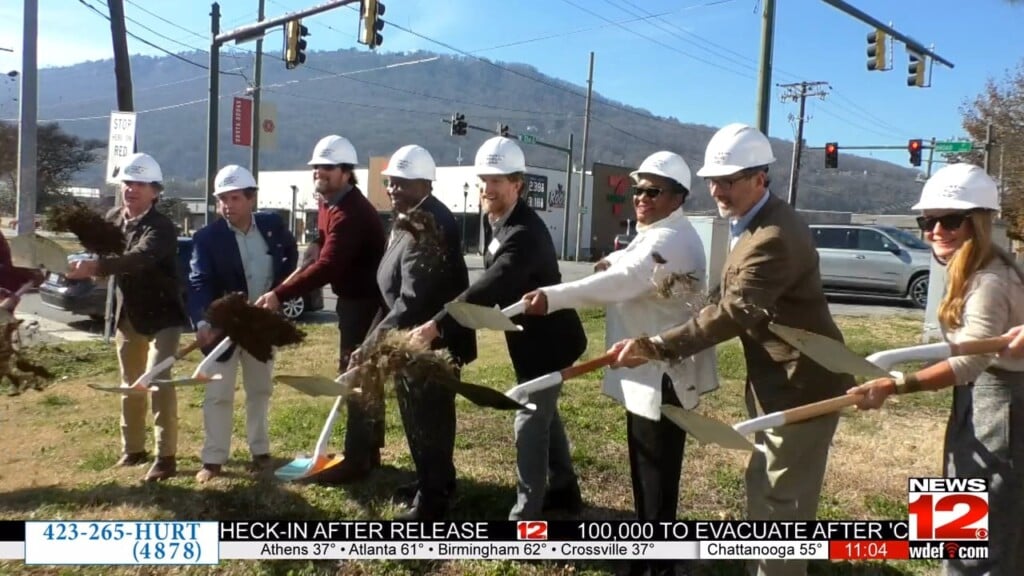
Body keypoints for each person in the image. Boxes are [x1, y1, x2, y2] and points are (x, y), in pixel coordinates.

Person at [608, 123, 854, 576]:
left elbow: (734, 312)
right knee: (763, 485)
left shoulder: (774, 235)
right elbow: (726, 301)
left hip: (803, 385)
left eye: (728, 180)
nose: (717, 190)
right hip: (776, 380)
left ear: (760, 177)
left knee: (785, 502)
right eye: (712, 181)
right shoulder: (752, 222)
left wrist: (656, 345)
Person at [520, 151, 718, 576]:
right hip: (645, 369)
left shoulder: (672, 239)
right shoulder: (656, 231)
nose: (641, 198)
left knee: (657, 473)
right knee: (645, 465)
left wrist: (554, 297)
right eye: (638, 189)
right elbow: (629, 262)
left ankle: (658, 562)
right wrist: (613, 260)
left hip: (665, 373)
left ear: (678, 197)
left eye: (654, 191)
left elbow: (625, 279)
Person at [848, 163, 1024, 576]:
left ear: (979, 223)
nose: (935, 231)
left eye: (951, 221)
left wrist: (896, 387)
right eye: (927, 221)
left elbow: (968, 361)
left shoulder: (990, 281)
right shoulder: (976, 269)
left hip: (1000, 408)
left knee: (980, 538)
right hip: (978, 397)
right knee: (960, 519)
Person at [409, 136, 588, 521]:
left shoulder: (523, 233)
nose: (488, 188)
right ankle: (564, 491)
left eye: (498, 181)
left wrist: (435, 326)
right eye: (484, 180)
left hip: (550, 344)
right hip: (531, 344)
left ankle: (525, 518)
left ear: (517, 185)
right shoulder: (501, 222)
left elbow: (489, 286)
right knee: (544, 416)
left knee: (528, 419)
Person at [255, 134, 387, 482]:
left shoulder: (351, 212)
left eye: (328, 168)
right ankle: (370, 451)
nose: (320, 173)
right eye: (317, 167)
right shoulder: (330, 202)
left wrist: (280, 294)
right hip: (353, 300)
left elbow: (329, 266)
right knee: (363, 376)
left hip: (367, 303)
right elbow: (325, 238)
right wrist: (315, 240)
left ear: (346, 172)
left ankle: (357, 460)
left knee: (355, 376)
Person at [356, 144, 476, 520]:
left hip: (429, 344)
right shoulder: (411, 216)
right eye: (390, 182)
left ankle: (434, 500)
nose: (393, 189)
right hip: (411, 339)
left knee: (430, 421)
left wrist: (374, 342)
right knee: (418, 417)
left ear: (425, 183)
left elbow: (413, 299)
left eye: (401, 183)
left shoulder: (428, 223)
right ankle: (434, 480)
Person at [66, 152, 188, 482]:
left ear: (155, 192)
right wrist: (81, 267)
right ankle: (133, 450)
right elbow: (102, 255)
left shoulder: (162, 228)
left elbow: (140, 258)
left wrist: (98, 267)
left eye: (139, 184)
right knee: (130, 383)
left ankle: (166, 457)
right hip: (128, 314)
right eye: (127, 183)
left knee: (159, 382)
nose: (131, 190)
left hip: (163, 315)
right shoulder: (113, 219)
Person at [188, 165, 298, 483]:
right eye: (222, 199)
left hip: (260, 326)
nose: (227, 205)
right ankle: (213, 459)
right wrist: (203, 320)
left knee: (260, 390)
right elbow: (198, 282)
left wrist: (279, 294)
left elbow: (289, 260)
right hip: (223, 328)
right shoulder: (208, 238)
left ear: (251, 198)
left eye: (234, 198)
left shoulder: (273, 226)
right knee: (217, 394)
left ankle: (260, 450)